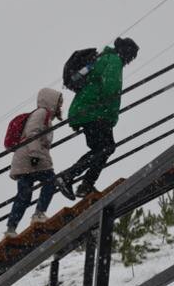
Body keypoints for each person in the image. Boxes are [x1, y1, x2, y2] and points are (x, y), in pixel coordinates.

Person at [55, 37, 139, 200]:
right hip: (94, 112)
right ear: (126, 52)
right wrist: (113, 105)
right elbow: (111, 87)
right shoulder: (114, 60)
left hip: (88, 112)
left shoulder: (104, 58)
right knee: (106, 148)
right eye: (132, 55)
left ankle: (83, 184)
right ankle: (73, 179)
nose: (131, 60)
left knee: (102, 149)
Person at [4, 88, 63, 238]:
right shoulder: (42, 113)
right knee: (50, 181)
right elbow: (32, 133)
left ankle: (11, 228)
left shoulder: (45, 116)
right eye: (59, 103)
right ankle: (39, 213)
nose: (60, 106)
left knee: (24, 195)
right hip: (32, 158)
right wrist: (36, 154)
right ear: (51, 101)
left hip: (25, 158)